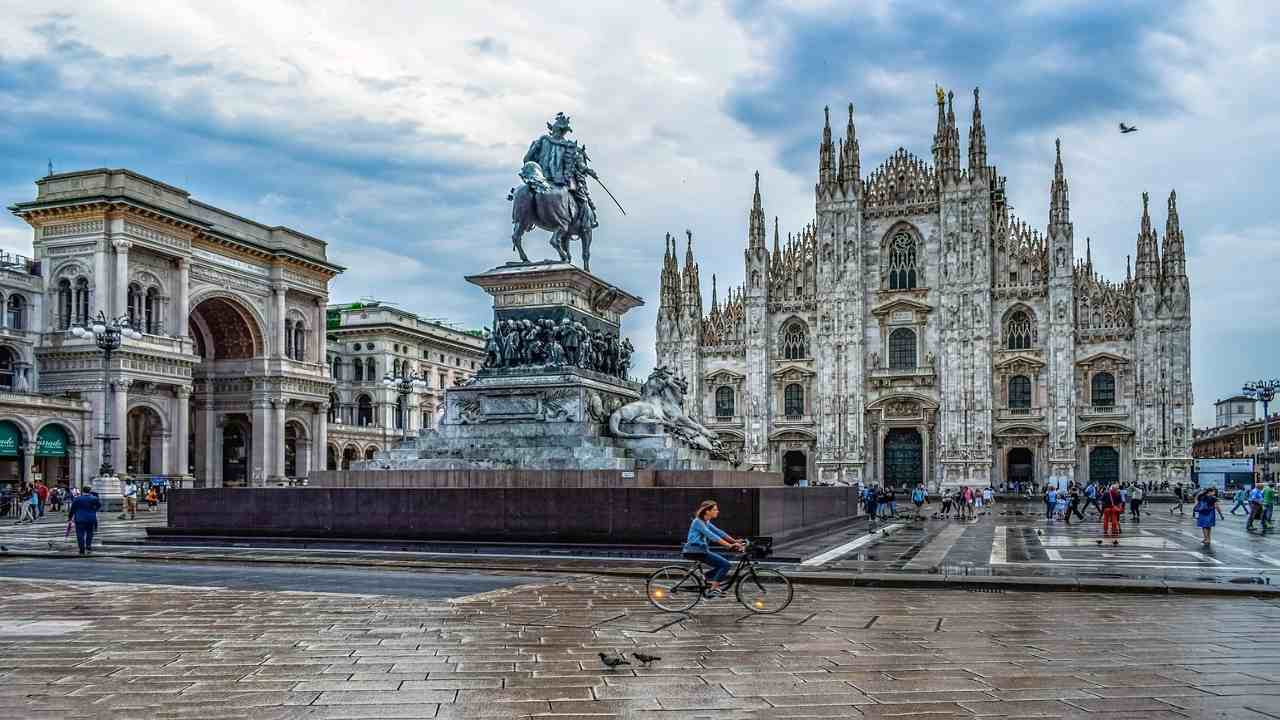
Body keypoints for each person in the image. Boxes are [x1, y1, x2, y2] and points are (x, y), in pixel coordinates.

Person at [682, 500, 743, 597]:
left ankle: (703, 578)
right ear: (707, 511)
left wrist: (734, 541)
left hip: (701, 550)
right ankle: (713, 589)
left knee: (721, 565)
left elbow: (719, 532)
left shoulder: (706, 521)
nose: (717, 511)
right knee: (725, 565)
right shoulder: (698, 522)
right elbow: (712, 536)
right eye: (715, 509)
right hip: (696, 551)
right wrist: (728, 545)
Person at [67, 485, 101, 556]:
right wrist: (94, 510)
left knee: (80, 534)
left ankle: (81, 548)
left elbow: (72, 509)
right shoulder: (94, 498)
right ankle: (88, 546)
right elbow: (99, 506)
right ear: (90, 491)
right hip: (91, 518)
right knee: (90, 533)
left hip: (80, 519)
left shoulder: (77, 499)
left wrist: (70, 518)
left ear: (83, 491)